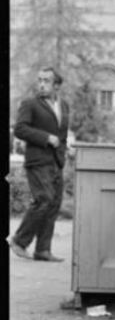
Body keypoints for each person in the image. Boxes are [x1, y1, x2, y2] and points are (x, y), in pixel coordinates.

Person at [7, 67, 70, 262]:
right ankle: (19, 240)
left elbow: (62, 135)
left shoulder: (64, 106)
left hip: (56, 161)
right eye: (40, 80)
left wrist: (66, 152)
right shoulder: (30, 104)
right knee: (44, 199)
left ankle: (43, 250)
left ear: (56, 85)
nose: (42, 84)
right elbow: (20, 129)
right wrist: (45, 138)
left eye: (46, 81)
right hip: (37, 160)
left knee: (53, 204)